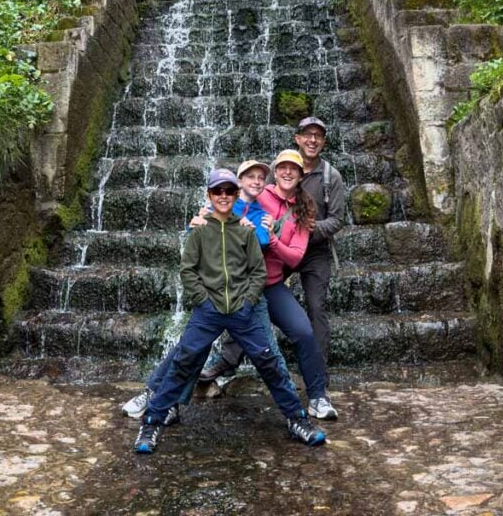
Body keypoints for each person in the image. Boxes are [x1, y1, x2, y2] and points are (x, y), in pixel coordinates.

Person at [133, 168, 326, 454]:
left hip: (242, 310)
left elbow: (258, 272)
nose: (223, 196)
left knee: (269, 362)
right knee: (184, 360)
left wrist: (247, 301)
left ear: (236, 194)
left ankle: (298, 420)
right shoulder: (200, 231)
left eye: (228, 191)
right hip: (208, 310)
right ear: (210, 195)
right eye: (217, 191)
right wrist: (203, 299)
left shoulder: (247, 229)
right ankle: (152, 422)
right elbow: (188, 271)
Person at [120, 159, 290, 422]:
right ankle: (158, 395)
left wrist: (246, 227)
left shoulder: (260, 215)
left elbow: (261, 242)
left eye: (261, 177)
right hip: (213, 295)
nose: (256, 181)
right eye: (250, 177)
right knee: (190, 350)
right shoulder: (214, 208)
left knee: (269, 352)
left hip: (247, 297)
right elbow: (194, 239)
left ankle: (294, 415)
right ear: (239, 182)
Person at [199, 150, 337, 421]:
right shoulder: (259, 191)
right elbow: (226, 200)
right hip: (235, 283)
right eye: (283, 168)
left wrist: (272, 238)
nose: (287, 172)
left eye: (293, 169)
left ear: (300, 175)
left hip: (270, 284)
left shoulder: (303, 210)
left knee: (303, 332)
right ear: (276, 172)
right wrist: (204, 215)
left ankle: (318, 396)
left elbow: (296, 256)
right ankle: (164, 397)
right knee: (197, 337)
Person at [292, 115, 345, 417]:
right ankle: (226, 364)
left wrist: (311, 230)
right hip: (284, 248)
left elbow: (337, 220)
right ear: (297, 138)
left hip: (315, 252)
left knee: (316, 308)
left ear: (323, 142)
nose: (313, 140)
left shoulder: (331, 176)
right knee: (254, 293)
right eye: (307, 135)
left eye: (318, 136)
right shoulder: (284, 169)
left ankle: (318, 383)